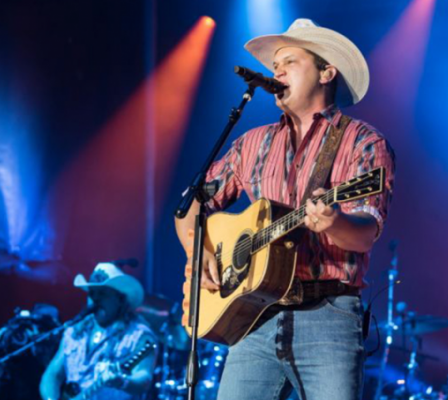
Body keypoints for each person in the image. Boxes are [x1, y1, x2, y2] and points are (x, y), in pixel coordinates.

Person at [175, 18, 396, 400]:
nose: (276, 71)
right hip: (253, 316)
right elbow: (191, 204)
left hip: (328, 315)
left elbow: (364, 234)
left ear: (327, 72)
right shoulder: (251, 144)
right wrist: (203, 251)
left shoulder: (363, 142)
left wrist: (334, 221)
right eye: (274, 66)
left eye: (289, 62)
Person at [39, 262, 156, 400]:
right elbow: (53, 374)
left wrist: (122, 382)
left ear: (120, 299)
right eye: (92, 293)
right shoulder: (73, 332)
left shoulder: (138, 336)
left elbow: (143, 377)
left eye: (102, 293)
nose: (95, 299)